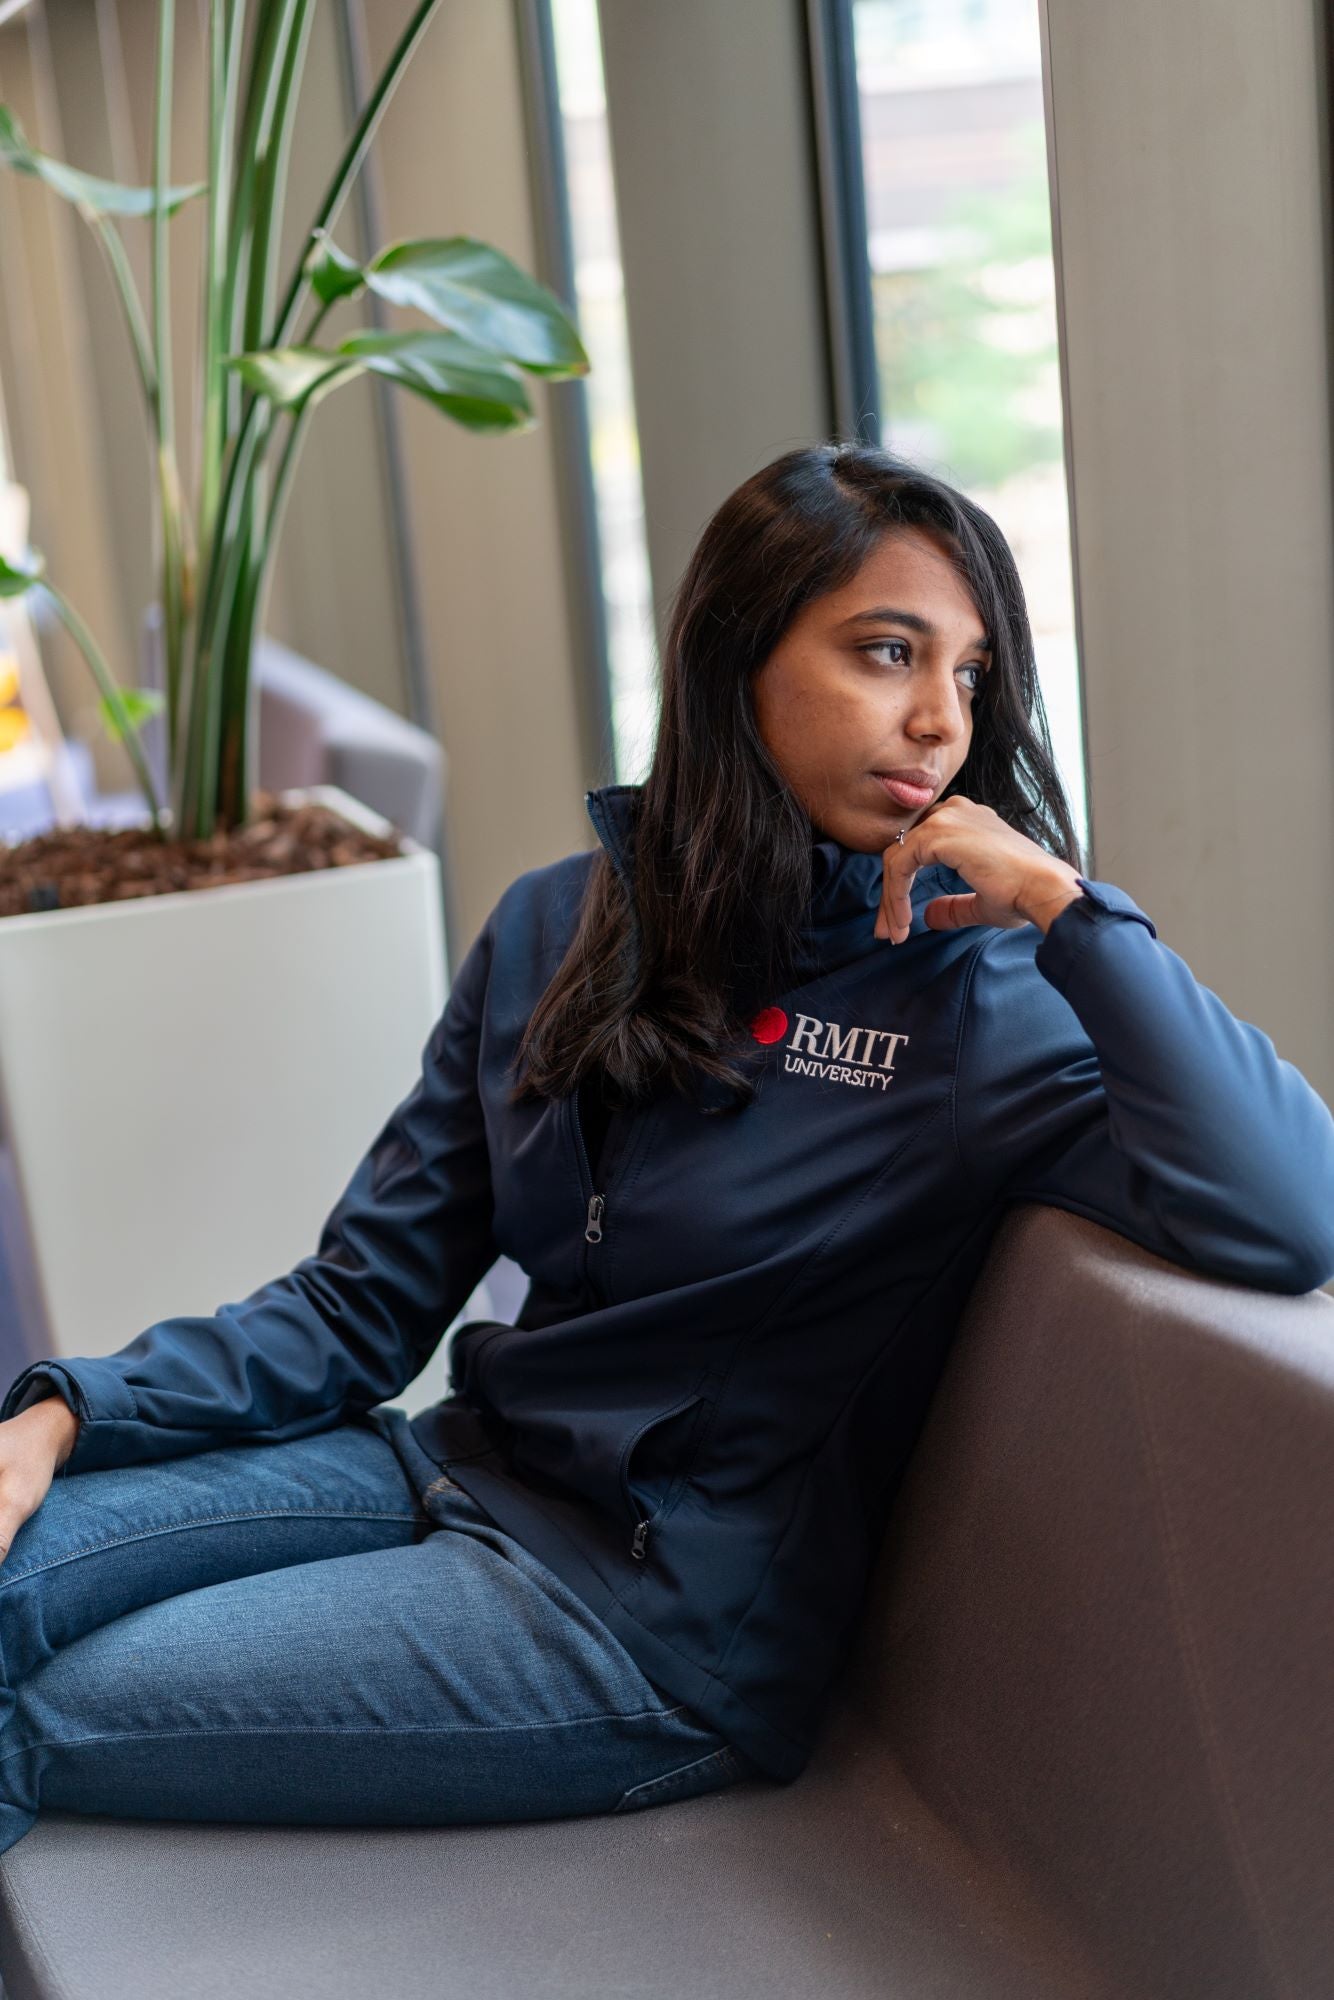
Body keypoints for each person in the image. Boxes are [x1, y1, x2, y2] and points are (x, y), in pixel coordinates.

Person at [0, 441, 1331, 1856]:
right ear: (732, 657)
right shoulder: (553, 928)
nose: (939, 720)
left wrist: (1074, 913)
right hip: (446, 1471)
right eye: (887, 653)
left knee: (22, 1711)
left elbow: (1289, 1212)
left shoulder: (981, 1007)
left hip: (642, 1632)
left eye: (970, 676)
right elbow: (358, 1304)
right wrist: (68, 1411)